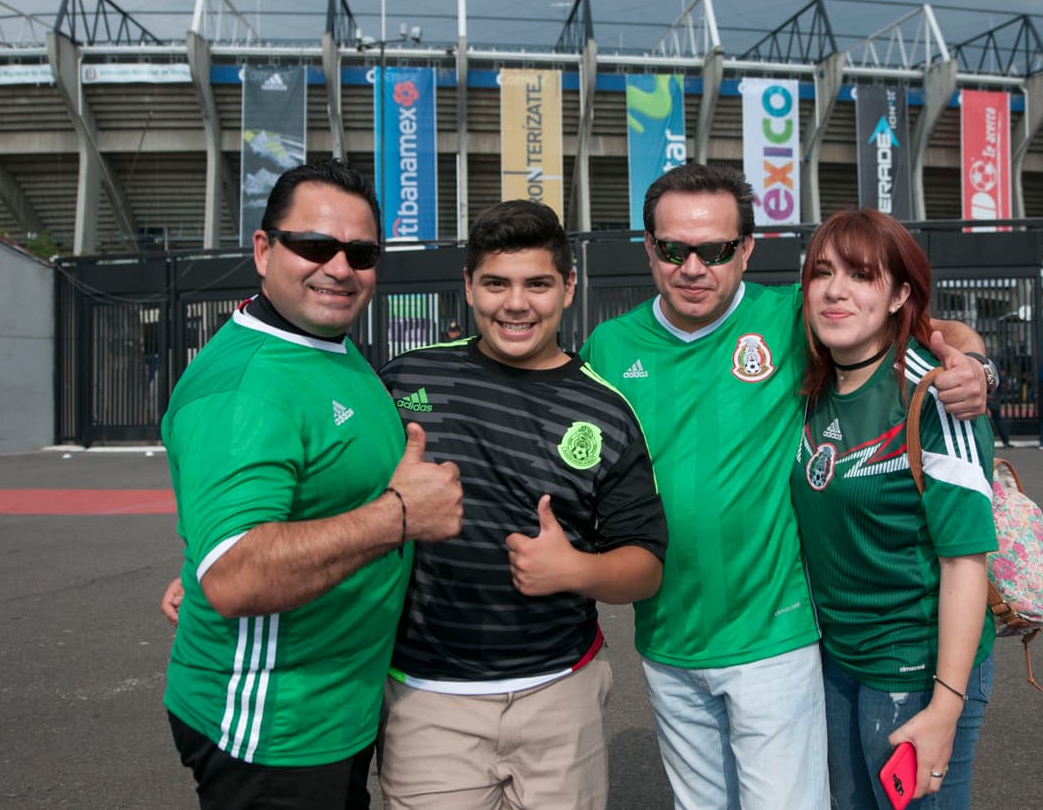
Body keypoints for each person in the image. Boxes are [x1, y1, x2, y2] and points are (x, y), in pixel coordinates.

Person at [579, 163, 991, 810]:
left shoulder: (791, 320)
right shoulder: (608, 346)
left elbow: (893, 319)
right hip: (667, 642)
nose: (693, 266)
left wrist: (970, 358)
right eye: (672, 248)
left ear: (746, 248)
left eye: (714, 249)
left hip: (777, 639)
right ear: (648, 246)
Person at [159, 159, 463, 810]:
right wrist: (403, 515)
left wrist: (206, 555)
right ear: (265, 250)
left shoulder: (323, 342)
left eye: (360, 251)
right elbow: (239, 575)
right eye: (315, 246)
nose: (339, 266)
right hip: (274, 729)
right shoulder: (246, 387)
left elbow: (268, 516)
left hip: (336, 709)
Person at [375, 200, 668, 810]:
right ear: (469, 288)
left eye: (537, 284)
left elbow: (645, 565)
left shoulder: (607, 409)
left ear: (567, 287)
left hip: (561, 695)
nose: (516, 303)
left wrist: (575, 571)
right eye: (496, 284)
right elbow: (323, 493)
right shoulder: (404, 382)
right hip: (428, 699)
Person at [789, 208, 996, 809]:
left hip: (917, 667)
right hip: (836, 660)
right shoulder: (814, 385)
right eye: (822, 272)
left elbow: (966, 564)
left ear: (901, 292)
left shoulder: (936, 396)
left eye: (861, 275)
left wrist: (945, 707)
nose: (835, 290)